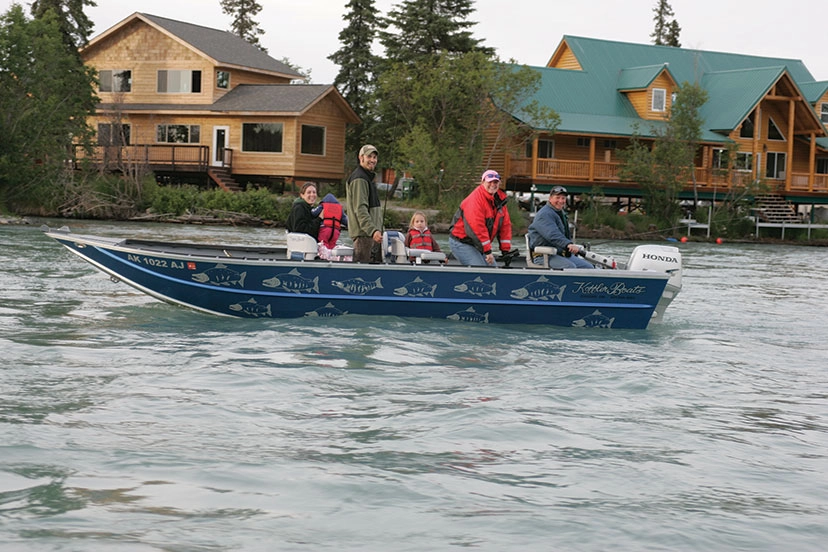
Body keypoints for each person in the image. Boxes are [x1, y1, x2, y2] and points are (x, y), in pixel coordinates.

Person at [449, 170, 512, 266]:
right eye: (489, 182)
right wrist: (487, 251)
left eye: (495, 182)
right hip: (462, 242)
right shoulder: (475, 200)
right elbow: (477, 229)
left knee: (494, 270)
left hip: (478, 244)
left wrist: (505, 251)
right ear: (482, 182)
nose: (493, 185)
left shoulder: (500, 201)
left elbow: (505, 227)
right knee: (480, 269)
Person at [527, 185, 594, 269]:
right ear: (550, 198)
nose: (561, 201)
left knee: (588, 267)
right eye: (557, 198)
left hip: (559, 254)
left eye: (563, 198)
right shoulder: (545, 214)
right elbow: (552, 234)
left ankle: (587, 282)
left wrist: (571, 246)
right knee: (570, 267)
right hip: (544, 256)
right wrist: (568, 244)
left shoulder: (559, 212)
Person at [345, 144, 383, 263]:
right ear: (361, 158)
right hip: (364, 236)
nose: (372, 160)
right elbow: (360, 209)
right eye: (369, 157)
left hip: (372, 236)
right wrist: (373, 230)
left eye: (374, 157)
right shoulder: (359, 179)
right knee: (362, 276)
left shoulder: (367, 178)